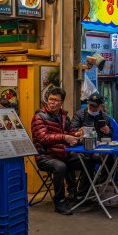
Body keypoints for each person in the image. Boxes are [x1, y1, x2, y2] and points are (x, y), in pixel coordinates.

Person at [31, 87, 83, 215]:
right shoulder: (39, 117)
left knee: (88, 159)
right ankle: (59, 201)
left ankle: (78, 193)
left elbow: (69, 132)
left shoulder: (63, 116)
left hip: (62, 153)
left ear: (61, 102)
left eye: (55, 100)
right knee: (61, 166)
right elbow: (43, 138)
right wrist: (64, 137)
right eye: (50, 99)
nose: (52, 102)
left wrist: (77, 134)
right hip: (45, 156)